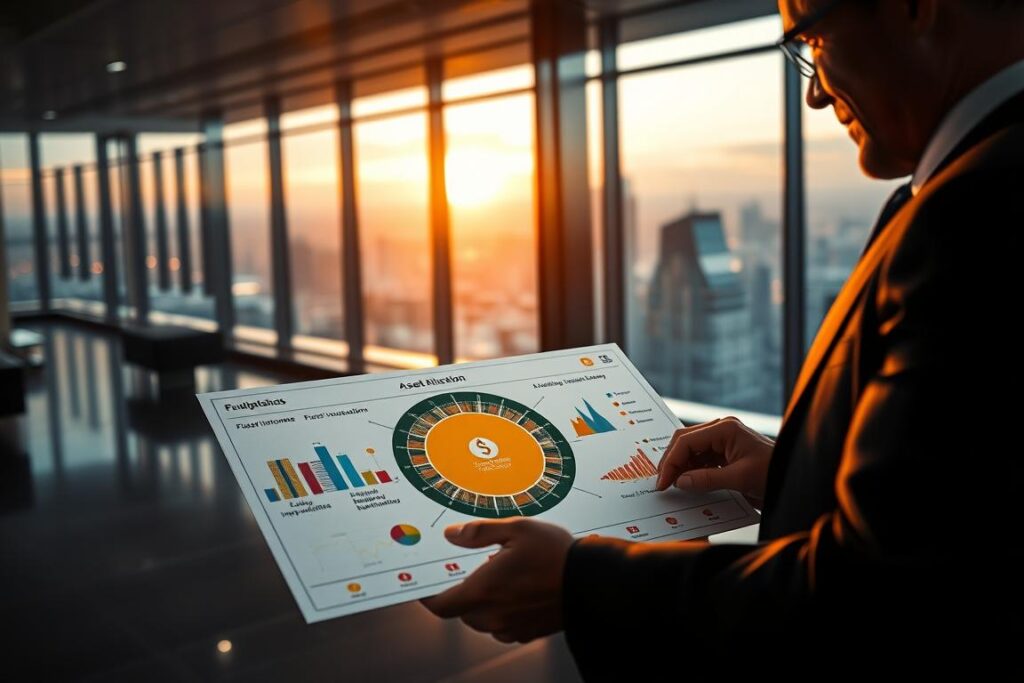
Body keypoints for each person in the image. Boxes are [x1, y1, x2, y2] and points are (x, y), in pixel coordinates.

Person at [423, 0, 1024, 674]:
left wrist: (578, 583)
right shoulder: (967, 185)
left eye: (812, 40)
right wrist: (793, 475)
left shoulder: (979, 213)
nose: (815, 94)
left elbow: (876, 605)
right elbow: (964, 511)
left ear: (913, 7)